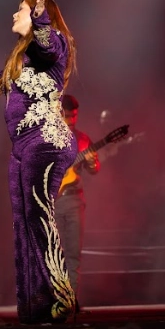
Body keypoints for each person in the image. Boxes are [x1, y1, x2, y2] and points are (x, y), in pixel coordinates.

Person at [0, 0, 78, 324]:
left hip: (46, 141)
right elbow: (3, 79)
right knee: (25, 224)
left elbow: (48, 47)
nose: (14, 15)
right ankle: (36, 304)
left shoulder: (52, 40)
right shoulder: (24, 56)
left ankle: (61, 297)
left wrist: (41, 18)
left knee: (39, 218)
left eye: (21, 10)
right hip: (22, 147)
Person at [54, 94, 100, 306]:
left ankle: (70, 302)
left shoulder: (83, 140)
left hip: (74, 200)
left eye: (74, 116)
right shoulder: (47, 138)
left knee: (73, 254)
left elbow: (94, 170)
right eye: (67, 116)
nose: (71, 120)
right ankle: (54, 300)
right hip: (53, 202)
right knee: (54, 254)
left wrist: (91, 162)